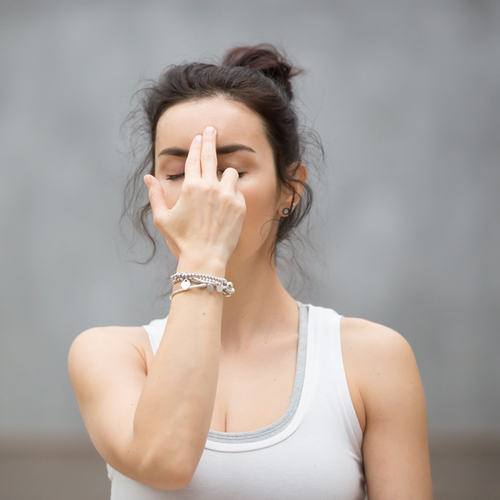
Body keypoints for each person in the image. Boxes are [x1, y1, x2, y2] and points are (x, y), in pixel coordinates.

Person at [68, 43, 433, 499]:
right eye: (178, 172)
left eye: (232, 170)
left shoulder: (372, 359)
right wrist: (203, 258)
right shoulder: (111, 354)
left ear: (290, 188)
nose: (204, 191)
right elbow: (164, 460)